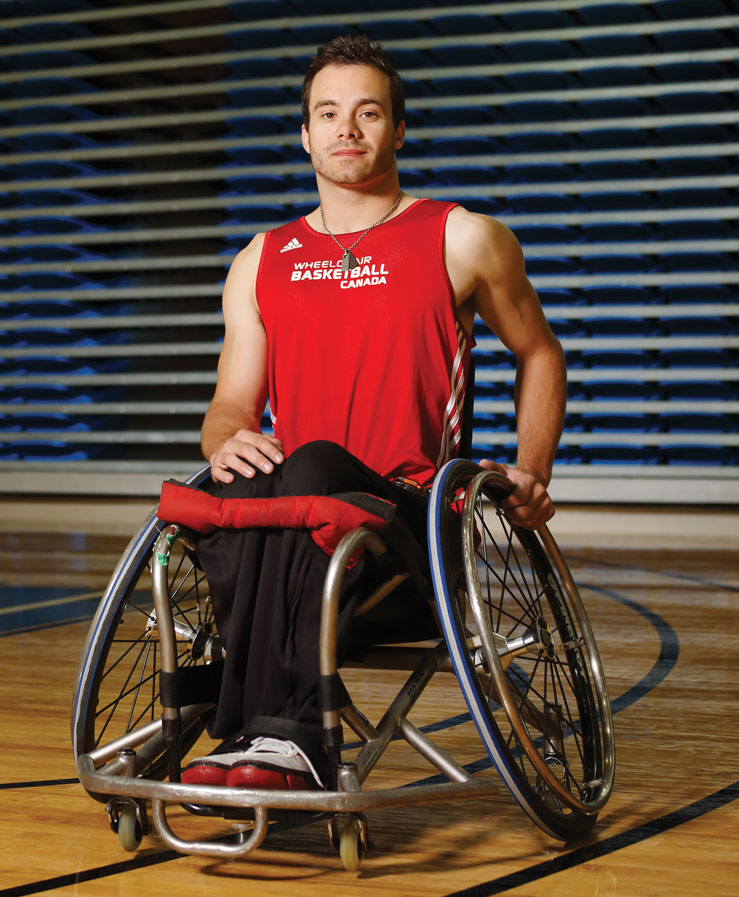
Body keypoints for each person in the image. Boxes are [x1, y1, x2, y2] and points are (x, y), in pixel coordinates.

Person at [177, 34, 566, 791]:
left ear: (398, 128)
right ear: (305, 134)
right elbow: (230, 404)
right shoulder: (263, 258)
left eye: (366, 112)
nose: (346, 128)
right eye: (327, 113)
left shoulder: (460, 236)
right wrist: (226, 443)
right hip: (295, 524)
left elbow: (540, 352)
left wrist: (532, 469)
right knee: (242, 484)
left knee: (311, 462)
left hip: (410, 527)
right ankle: (259, 740)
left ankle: (286, 740)